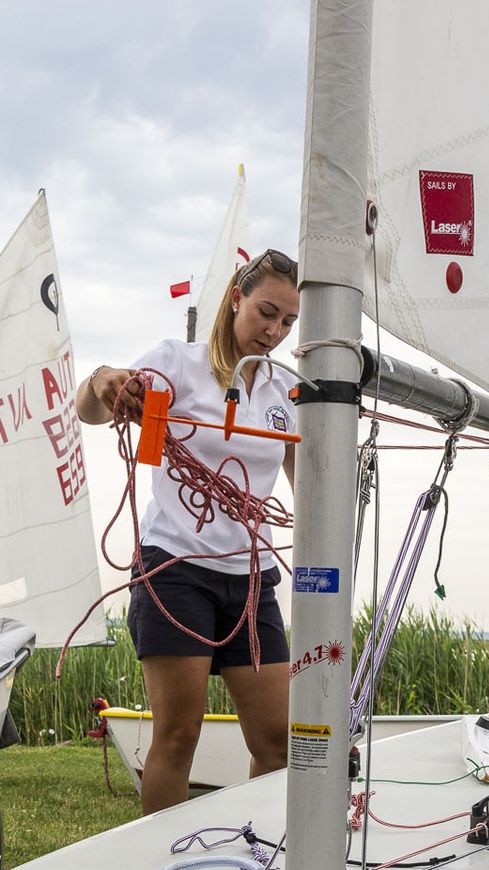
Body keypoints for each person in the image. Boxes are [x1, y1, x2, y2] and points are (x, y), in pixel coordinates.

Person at [78, 249, 301, 813]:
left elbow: (313, 490)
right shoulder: (176, 363)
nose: (274, 332)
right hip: (175, 572)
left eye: (288, 323)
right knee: (178, 738)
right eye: (266, 313)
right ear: (235, 299)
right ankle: (164, 868)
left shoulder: (284, 395)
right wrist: (106, 381)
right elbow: (90, 408)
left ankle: (257, 850)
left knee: (277, 742)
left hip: (251, 582)